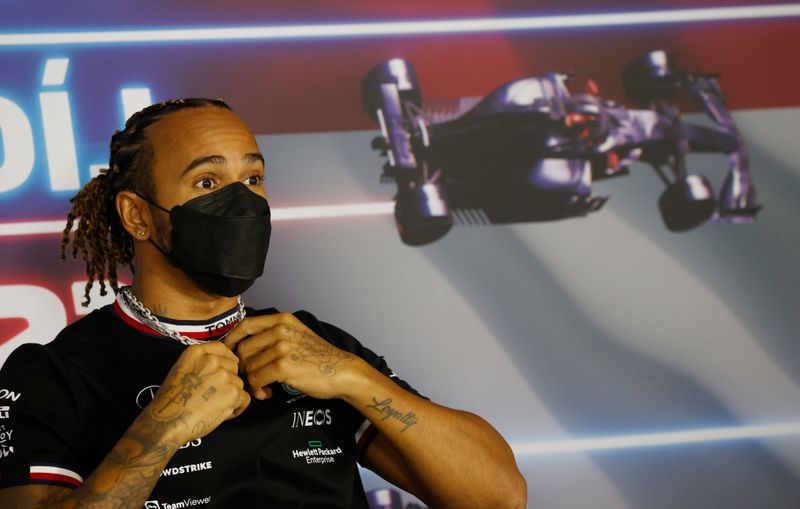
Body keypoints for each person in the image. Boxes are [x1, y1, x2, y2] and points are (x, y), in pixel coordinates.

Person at [0, 98, 527, 509]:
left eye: (252, 179)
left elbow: (498, 496)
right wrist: (162, 427)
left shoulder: (311, 344)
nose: (243, 203)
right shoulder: (54, 376)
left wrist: (352, 376)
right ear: (137, 216)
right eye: (208, 181)